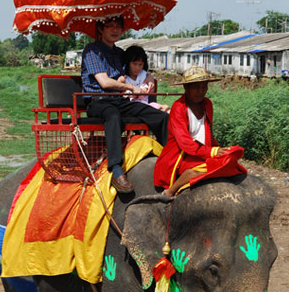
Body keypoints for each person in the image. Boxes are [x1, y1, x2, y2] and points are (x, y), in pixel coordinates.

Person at [81, 17, 169, 193]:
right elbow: (105, 83)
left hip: (120, 100)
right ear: (100, 28)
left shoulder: (120, 53)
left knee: (160, 116)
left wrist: (150, 78)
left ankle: (171, 155)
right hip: (98, 101)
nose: (115, 30)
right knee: (113, 115)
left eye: (118, 27)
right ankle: (116, 169)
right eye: (110, 26)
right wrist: (131, 87)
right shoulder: (92, 51)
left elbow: (138, 70)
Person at [153, 66, 246, 196]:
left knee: (231, 161)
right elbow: (184, 142)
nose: (200, 91)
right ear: (186, 88)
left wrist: (219, 149)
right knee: (202, 169)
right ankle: (170, 191)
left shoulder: (208, 104)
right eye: (196, 87)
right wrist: (212, 151)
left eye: (204, 87)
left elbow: (208, 133)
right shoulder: (178, 107)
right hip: (182, 154)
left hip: (202, 151)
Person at [123, 45, 170, 113]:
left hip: (146, 105)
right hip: (131, 107)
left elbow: (144, 90)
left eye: (140, 64)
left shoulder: (143, 75)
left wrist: (136, 94)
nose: (137, 68)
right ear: (127, 63)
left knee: (166, 108)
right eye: (134, 64)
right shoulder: (124, 77)